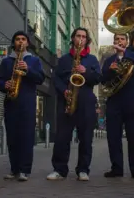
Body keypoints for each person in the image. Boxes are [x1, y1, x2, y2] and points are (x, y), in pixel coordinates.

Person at [46, 27, 101, 181]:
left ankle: (83, 170)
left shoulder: (92, 60)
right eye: (78, 36)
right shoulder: (63, 59)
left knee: (86, 138)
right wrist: (64, 91)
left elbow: (98, 78)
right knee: (62, 137)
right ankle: (59, 169)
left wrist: (86, 72)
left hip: (86, 103)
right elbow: (55, 79)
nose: (81, 39)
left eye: (84, 36)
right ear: (73, 38)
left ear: (87, 40)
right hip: (67, 100)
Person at [0, 31, 45, 181]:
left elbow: (40, 79)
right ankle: (14, 169)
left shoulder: (34, 60)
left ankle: (24, 170)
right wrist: (5, 84)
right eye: (17, 39)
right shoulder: (6, 61)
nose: (20, 42)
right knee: (12, 137)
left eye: (23, 39)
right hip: (11, 102)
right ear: (14, 43)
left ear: (27, 43)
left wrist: (28, 70)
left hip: (28, 103)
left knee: (26, 137)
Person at [101, 33, 134, 179]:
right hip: (114, 102)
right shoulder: (108, 61)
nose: (119, 41)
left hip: (131, 101)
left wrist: (125, 53)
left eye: (122, 39)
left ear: (126, 42)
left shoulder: (132, 56)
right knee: (113, 137)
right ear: (113, 42)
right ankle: (117, 168)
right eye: (116, 39)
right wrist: (109, 71)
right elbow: (102, 80)